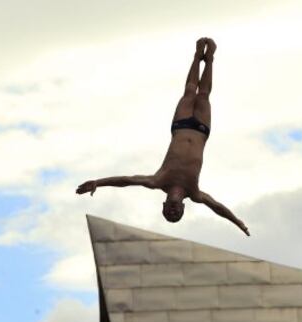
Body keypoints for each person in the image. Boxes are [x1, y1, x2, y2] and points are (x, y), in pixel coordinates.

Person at [76, 38, 250, 236]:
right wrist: (237, 221)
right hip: (201, 131)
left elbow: (126, 180)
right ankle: (209, 59)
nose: (173, 212)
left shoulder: (158, 181)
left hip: (181, 126)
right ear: (184, 209)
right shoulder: (195, 193)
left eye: (169, 213)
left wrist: (98, 182)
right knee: (203, 96)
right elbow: (218, 207)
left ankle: (196, 56)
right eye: (177, 215)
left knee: (189, 92)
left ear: (164, 206)